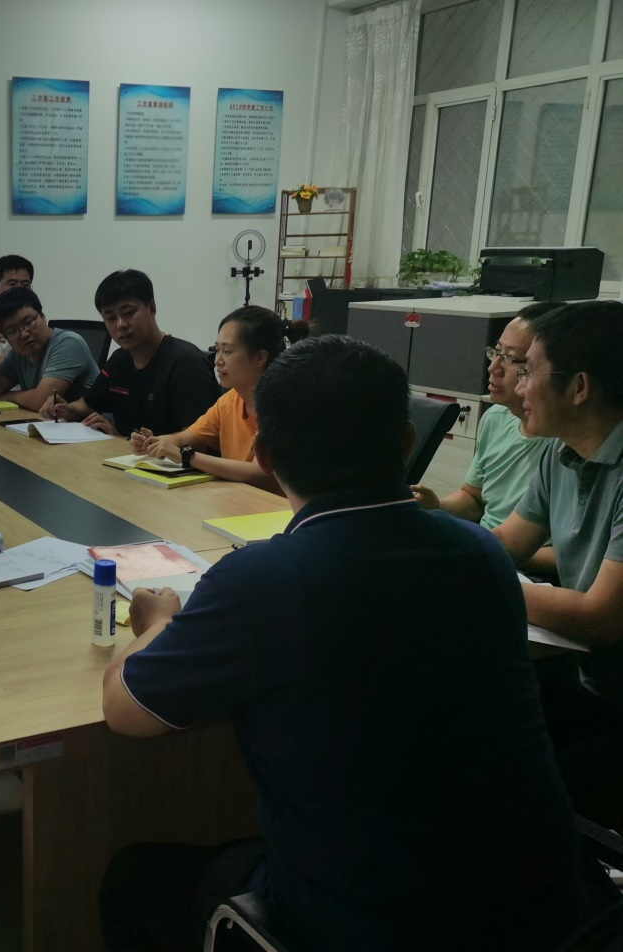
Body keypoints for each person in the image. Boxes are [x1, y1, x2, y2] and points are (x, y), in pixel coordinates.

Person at [99, 334, 612, 952]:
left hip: (374, 924)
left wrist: (159, 622)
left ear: (264, 455)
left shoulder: (260, 579)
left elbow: (125, 712)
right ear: (407, 443)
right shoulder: (481, 553)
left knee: (132, 875)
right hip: (550, 910)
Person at [491, 300, 623, 829]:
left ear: (580, 387)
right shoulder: (559, 453)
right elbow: (506, 544)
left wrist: (484, 580)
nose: (518, 387)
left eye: (528, 371)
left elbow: (601, 616)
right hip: (587, 675)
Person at [412, 302, 560, 536]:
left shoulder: (567, 444)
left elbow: (566, 553)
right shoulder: (496, 418)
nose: (494, 367)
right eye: (496, 352)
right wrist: (436, 506)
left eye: (510, 358)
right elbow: (474, 499)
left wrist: (482, 544)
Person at [138, 305, 307, 491]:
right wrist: (157, 443)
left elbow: (260, 472)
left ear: (259, 357)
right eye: (217, 349)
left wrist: (188, 456)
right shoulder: (230, 400)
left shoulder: (283, 405)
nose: (217, 360)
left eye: (227, 352)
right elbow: (186, 438)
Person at [38, 269, 220, 436]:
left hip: (169, 461)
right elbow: (86, 406)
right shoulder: (119, 359)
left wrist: (122, 441)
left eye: (129, 313)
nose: (121, 324)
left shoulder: (186, 363)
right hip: (129, 457)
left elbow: (197, 439)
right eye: (111, 318)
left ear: (152, 308)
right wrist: (64, 409)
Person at [0, 287, 99, 411]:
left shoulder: (68, 344)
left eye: (29, 322)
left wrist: (7, 396)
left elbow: (41, 401)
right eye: (12, 331)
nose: (24, 334)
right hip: (52, 423)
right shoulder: (19, 355)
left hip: (90, 424)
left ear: (43, 316)